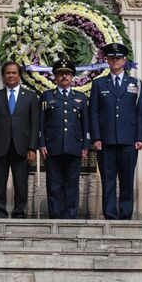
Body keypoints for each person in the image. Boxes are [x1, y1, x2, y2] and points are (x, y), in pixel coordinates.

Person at [89, 43, 142, 220]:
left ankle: (126, 214)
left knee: (127, 179)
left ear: (124, 60)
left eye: (118, 58)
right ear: (107, 60)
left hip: (128, 140)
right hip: (105, 141)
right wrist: (96, 137)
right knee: (108, 180)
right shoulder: (99, 83)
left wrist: (141, 137)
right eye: (112, 58)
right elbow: (94, 112)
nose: (115, 61)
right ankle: (110, 215)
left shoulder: (135, 83)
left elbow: (141, 112)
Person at [0, 61, 40, 218]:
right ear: (3, 76)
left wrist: (32, 147)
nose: (11, 75)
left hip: (22, 147)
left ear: (19, 75)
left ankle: (19, 212)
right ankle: (0, 212)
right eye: (8, 73)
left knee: (21, 183)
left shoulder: (30, 97)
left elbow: (35, 125)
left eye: (14, 72)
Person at [39, 59, 90, 219]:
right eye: (60, 74)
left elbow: (85, 125)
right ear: (55, 77)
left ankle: (70, 217)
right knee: (54, 184)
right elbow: (41, 124)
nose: (64, 77)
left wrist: (85, 145)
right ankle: (55, 216)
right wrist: (41, 144)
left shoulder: (80, 98)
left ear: (73, 77)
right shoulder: (47, 97)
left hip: (73, 147)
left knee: (71, 184)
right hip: (52, 147)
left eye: (67, 74)